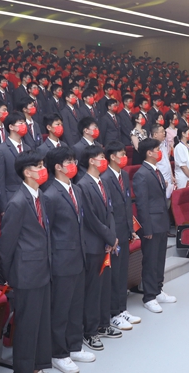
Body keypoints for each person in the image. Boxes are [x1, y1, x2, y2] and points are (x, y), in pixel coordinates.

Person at [0, 150, 52, 373]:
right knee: (27, 326)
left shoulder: (40, 196)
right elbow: (6, 243)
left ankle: (38, 365)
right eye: (39, 166)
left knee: (41, 322)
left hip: (43, 270)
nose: (43, 170)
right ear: (27, 172)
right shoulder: (17, 202)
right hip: (26, 274)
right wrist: (5, 275)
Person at [42, 147, 96, 372]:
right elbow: (47, 234)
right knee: (61, 310)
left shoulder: (77, 189)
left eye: (74, 161)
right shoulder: (50, 195)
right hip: (61, 261)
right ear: (57, 167)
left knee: (76, 306)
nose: (74, 165)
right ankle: (59, 352)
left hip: (78, 257)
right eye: (69, 162)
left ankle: (74, 346)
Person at [77, 145, 121, 350]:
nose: (104, 160)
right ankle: (90, 331)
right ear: (91, 161)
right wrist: (109, 236)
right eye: (101, 157)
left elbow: (110, 211)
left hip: (106, 243)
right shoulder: (83, 185)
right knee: (93, 290)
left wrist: (112, 236)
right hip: (94, 245)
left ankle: (104, 323)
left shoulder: (103, 181)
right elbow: (91, 219)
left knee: (105, 287)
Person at [100, 141, 140, 332]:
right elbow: (108, 211)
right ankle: (113, 313)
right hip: (114, 234)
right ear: (112, 157)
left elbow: (126, 205)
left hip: (125, 230)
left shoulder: (123, 174)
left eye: (125, 154)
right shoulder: (105, 178)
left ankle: (122, 308)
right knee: (114, 274)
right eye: (121, 154)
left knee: (123, 272)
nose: (124, 157)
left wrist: (131, 229)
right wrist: (112, 236)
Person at [133, 137, 176, 314]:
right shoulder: (141, 174)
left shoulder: (156, 171)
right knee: (150, 261)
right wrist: (146, 228)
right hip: (151, 224)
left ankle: (158, 289)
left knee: (159, 259)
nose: (160, 153)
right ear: (149, 152)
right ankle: (149, 296)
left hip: (161, 221)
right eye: (157, 150)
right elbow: (142, 204)